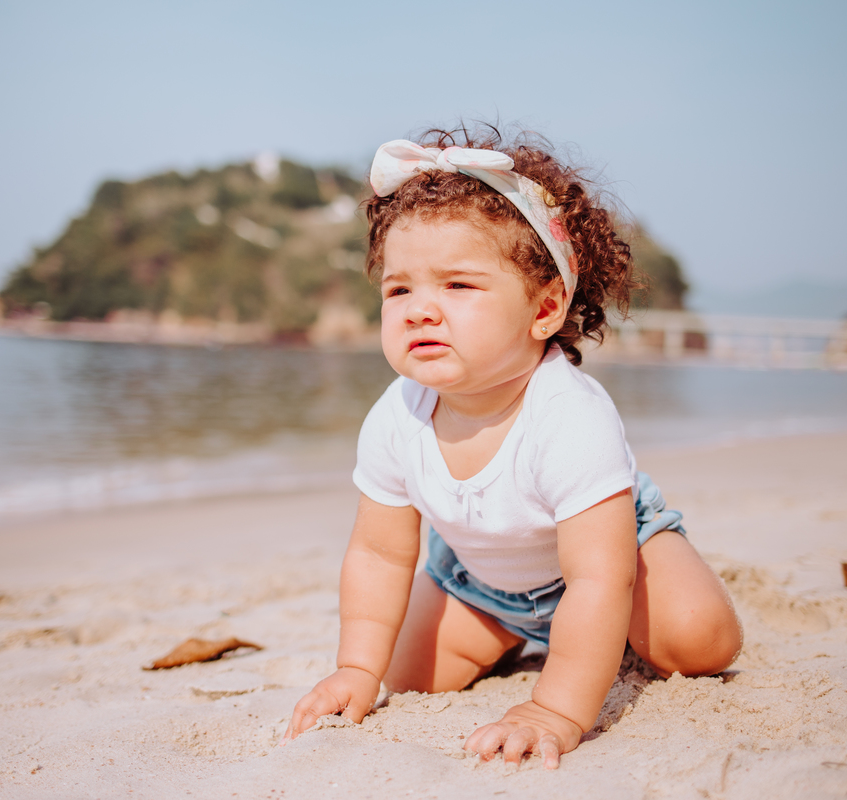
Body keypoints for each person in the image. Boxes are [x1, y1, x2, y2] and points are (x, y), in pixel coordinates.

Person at [281, 127, 743, 768]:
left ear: (546, 308)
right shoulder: (396, 416)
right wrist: (356, 668)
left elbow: (596, 576)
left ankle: (606, 642)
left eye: (459, 286)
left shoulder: (568, 417)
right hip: (484, 585)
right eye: (399, 289)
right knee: (408, 674)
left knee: (701, 641)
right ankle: (524, 640)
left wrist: (555, 708)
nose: (419, 310)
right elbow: (381, 555)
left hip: (612, 563)